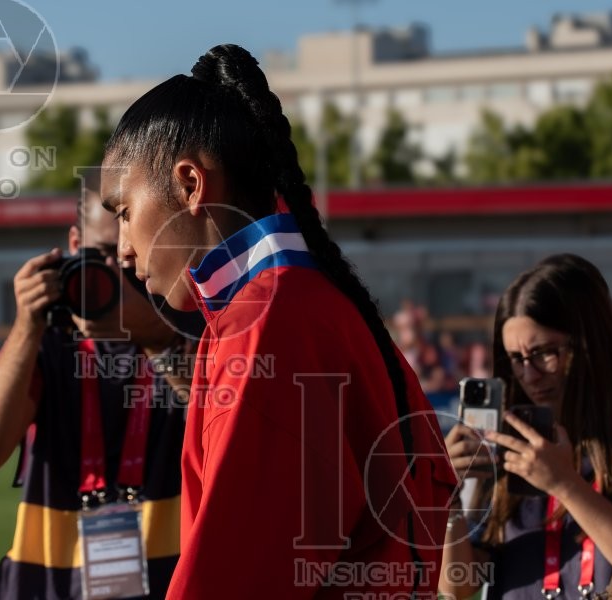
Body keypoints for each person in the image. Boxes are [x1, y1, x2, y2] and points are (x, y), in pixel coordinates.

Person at [100, 44, 456, 598]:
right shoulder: (299, 302)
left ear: (191, 185)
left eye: (123, 213)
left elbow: (233, 579)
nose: (123, 249)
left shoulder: (269, 320)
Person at [0, 179, 194, 600]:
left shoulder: (185, 324)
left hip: (169, 581)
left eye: (130, 256)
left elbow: (221, 414)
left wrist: (158, 337)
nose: (116, 273)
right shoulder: (48, 340)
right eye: (101, 254)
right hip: (47, 582)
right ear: (73, 243)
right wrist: (27, 325)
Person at [440, 253, 612, 600]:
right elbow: (458, 587)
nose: (529, 375)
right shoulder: (509, 440)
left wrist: (565, 485)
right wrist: (447, 501)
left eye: (544, 353)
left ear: (590, 341)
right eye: (516, 359)